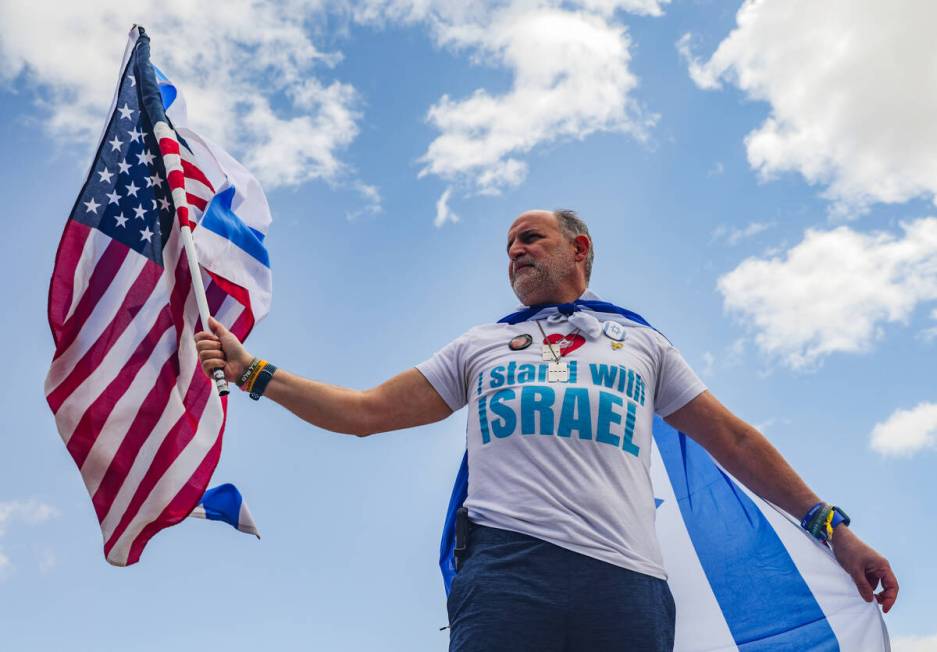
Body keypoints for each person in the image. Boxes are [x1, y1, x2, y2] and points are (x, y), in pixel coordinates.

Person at [195, 209, 899, 652]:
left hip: (626, 586)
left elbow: (734, 442)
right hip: (506, 575)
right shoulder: (478, 346)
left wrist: (834, 530)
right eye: (507, 248)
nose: (515, 254)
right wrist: (255, 371)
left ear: (578, 248)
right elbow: (365, 413)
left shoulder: (640, 344)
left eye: (529, 239)